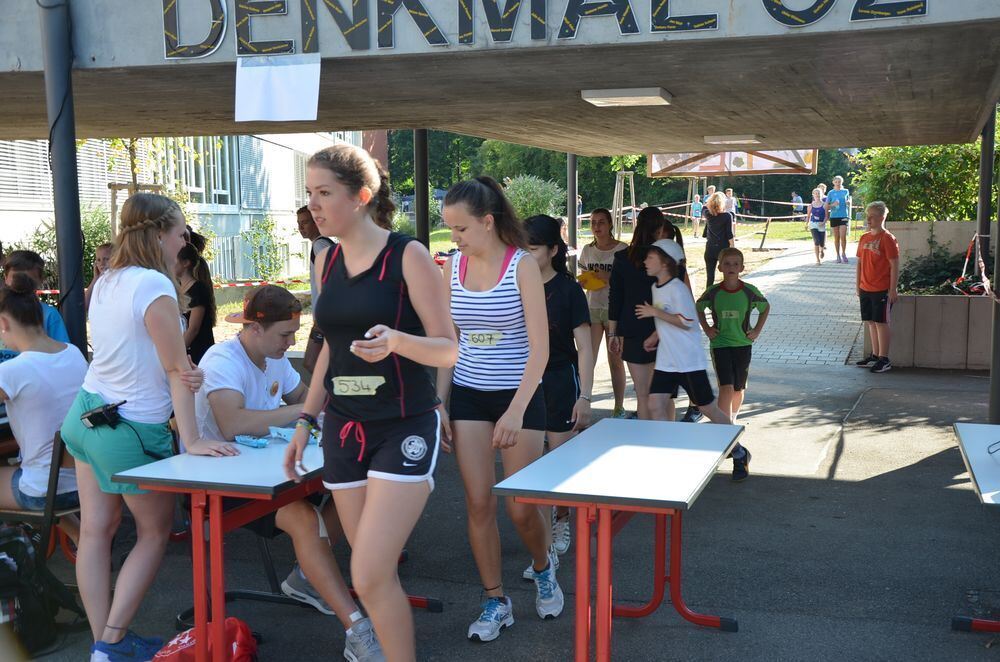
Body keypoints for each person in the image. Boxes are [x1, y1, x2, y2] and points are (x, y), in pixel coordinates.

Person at [283, 144, 457, 662]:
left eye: (324, 194)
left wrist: (399, 341)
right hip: (342, 427)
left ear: (360, 197)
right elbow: (332, 350)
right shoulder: (326, 258)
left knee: (369, 571)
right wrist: (304, 422)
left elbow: (448, 346)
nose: (313, 206)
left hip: (402, 425)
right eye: (309, 194)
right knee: (370, 573)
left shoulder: (409, 255)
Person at [60, 193, 236, 662]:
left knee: (96, 531)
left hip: (85, 416)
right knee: (154, 533)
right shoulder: (154, 288)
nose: (185, 240)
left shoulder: (108, 279)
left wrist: (179, 369)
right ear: (159, 233)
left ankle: (105, 644)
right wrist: (194, 439)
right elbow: (176, 369)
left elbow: (144, 358)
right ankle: (111, 643)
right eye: (180, 231)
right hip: (131, 429)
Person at [199, 285, 383, 660]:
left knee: (354, 490)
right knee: (304, 517)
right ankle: (357, 630)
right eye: (285, 334)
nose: (291, 342)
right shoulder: (222, 360)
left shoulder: (273, 357)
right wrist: (306, 415)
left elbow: (306, 399)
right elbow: (233, 424)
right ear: (254, 329)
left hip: (271, 471)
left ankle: (306, 577)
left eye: (294, 333)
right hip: (222, 479)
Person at [436, 176, 563, 643]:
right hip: (469, 394)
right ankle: (495, 599)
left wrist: (514, 412)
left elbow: (540, 350)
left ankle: (543, 565)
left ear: (487, 223)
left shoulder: (522, 266)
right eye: (450, 230)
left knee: (521, 508)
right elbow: (451, 340)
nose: (455, 239)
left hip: (520, 395)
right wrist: (441, 401)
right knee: (477, 500)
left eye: (461, 229)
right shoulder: (453, 266)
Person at [635, 239, 752, 481]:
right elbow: (669, 318)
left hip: (688, 361)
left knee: (708, 408)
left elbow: (687, 321)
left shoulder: (678, 288)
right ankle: (665, 455)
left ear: (665, 262)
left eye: (651, 258)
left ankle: (739, 452)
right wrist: (655, 334)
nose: (646, 261)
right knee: (655, 405)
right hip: (667, 360)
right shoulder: (657, 287)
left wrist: (655, 313)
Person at [524, 215, 594, 559]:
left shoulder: (568, 290)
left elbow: (586, 348)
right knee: (529, 468)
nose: (525, 254)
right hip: (522, 383)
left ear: (553, 249)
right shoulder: (513, 284)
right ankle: (542, 546)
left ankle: (561, 520)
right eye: (521, 247)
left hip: (560, 380)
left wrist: (585, 396)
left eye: (533, 248)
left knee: (559, 461)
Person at [0, 273, 85, 543]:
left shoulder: (13, 370)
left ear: (3, 323)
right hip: (84, 482)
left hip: (42, 489)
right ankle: (83, 540)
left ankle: (11, 559)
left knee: (35, 480)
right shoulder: (73, 353)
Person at [696, 248, 770, 422]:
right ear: (720, 267)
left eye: (736, 264)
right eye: (727, 264)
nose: (731, 267)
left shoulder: (749, 291)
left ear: (742, 267)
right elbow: (698, 307)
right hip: (720, 344)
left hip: (743, 344)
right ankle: (724, 425)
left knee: (738, 389)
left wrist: (757, 330)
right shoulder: (713, 292)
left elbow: (765, 308)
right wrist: (707, 328)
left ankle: (732, 420)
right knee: (726, 387)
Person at [608, 207, 663, 421]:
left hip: (632, 329)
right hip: (663, 328)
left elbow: (615, 298)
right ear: (659, 229)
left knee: (642, 394)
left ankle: (646, 440)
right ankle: (664, 439)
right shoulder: (666, 258)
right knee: (662, 394)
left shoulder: (622, 258)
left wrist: (613, 333)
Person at [577, 208, 628, 418]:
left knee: (615, 359)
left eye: (601, 222)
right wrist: (593, 278)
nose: (597, 227)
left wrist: (606, 276)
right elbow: (583, 279)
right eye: (593, 222)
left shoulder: (623, 249)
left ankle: (619, 406)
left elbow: (626, 281)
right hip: (592, 307)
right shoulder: (587, 250)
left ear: (610, 225)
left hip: (615, 311)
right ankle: (582, 399)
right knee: (587, 357)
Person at [0, 250, 69, 365]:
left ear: (40, 280)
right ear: (5, 277)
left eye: (28, 280)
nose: (21, 284)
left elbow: (62, 357)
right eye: (16, 278)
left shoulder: (49, 315)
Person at [854, 202, 899, 374]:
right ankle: (874, 355)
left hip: (881, 289)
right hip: (866, 287)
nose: (868, 219)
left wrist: (892, 289)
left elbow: (894, 264)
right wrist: (858, 284)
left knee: (881, 322)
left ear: (882, 217)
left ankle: (884, 358)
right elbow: (859, 262)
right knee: (870, 322)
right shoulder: (864, 238)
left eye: (872, 216)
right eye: (867, 215)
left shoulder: (887, 238)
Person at [175, 243, 216, 364]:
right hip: (186, 350)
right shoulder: (179, 287)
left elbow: (193, 329)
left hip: (198, 353)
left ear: (185, 263)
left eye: (174, 259)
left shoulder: (198, 289)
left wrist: (176, 353)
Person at [702, 192, 735, 290]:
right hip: (723, 249)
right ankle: (726, 293)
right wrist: (733, 248)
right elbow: (729, 234)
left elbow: (704, 207)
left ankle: (708, 296)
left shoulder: (707, 214)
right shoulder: (727, 216)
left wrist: (711, 204)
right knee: (728, 275)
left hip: (710, 249)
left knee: (710, 277)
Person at [826, 175, 852, 263]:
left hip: (844, 215)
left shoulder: (845, 191)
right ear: (833, 182)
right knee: (836, 237)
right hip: (834, 216)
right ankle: (837, 255)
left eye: (839, 182)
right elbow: (826, 205)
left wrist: (848, 203)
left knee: (843, 236)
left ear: (842, 182)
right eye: (836, 182)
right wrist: (833, 205)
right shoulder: (830, 193)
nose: (838, 183)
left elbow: (848, 202)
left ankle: (844, 253)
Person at [85, 242, 113, 312]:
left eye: (106, 259)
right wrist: (95, 278)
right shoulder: (98, 281)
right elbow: (85, 304)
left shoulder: (117, 280)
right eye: (98, 260)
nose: (102, 263)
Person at [806, 188, 827, 264]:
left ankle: (822, 250)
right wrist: (806, 224)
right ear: (813, 195)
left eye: (819, 193)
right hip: (813, 224)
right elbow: (808, 216)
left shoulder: (824, 205)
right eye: (816, 193)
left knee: (822, 243)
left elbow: (827, 216)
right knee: (816, 241)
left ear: (821, 195)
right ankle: (818, 259)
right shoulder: (810, 206)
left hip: (821, 224)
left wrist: (823, 222)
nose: (817, 195)